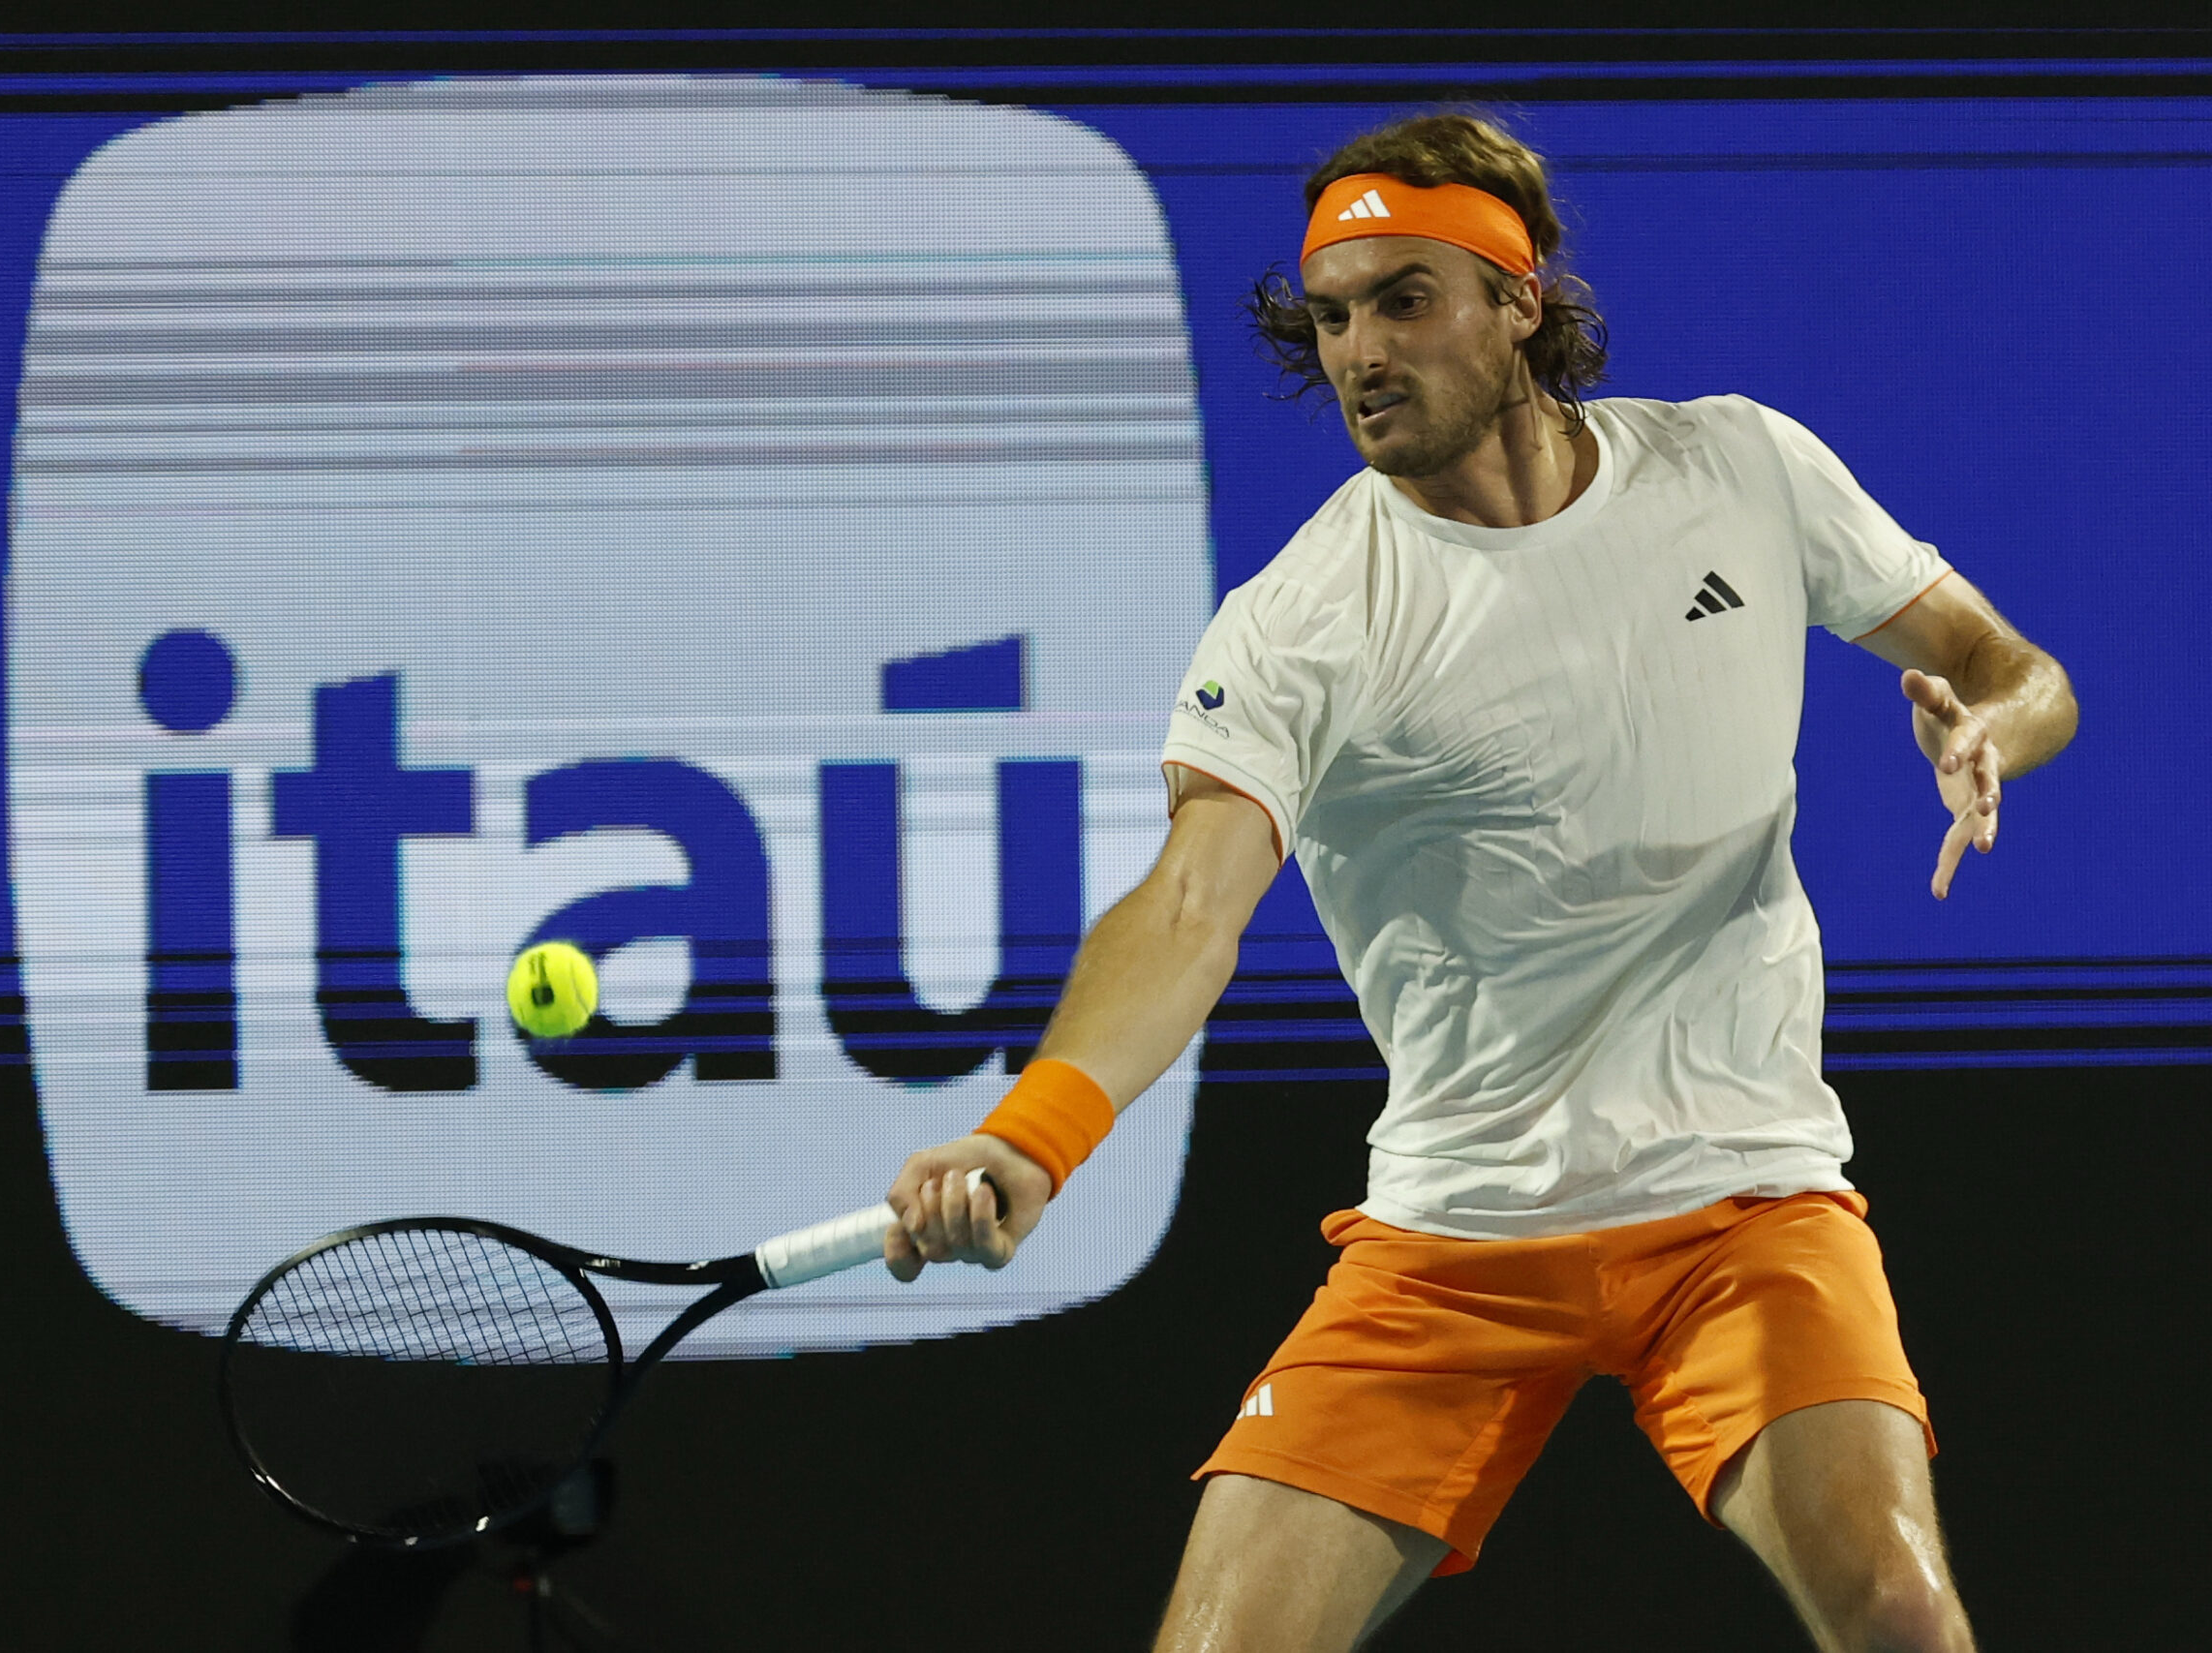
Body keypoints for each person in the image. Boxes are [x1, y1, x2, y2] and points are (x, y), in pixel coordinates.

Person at [879, 111, 2075, 1653]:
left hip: (1744, 1203)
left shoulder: (1739, 467)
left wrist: (1991, 731)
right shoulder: (1302, 620)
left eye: (1404, 300)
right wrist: (1035, 1133)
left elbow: (2009, 665)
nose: (1361, 353)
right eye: (1332, 318)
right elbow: (1188, 907)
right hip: (1455, 1238)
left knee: (1904, 1612)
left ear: (1520, 302)